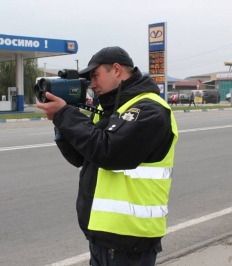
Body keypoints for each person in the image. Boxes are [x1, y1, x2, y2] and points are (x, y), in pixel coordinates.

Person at [37, 46, 178, 266]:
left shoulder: (149, 110)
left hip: (130, 239)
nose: (92, 84)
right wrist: (60, 123)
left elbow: (109, 152)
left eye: (95, 75)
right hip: (102, 234)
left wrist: (66, 115)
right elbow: (82, 157)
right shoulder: (113, 110)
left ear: (116, 69)